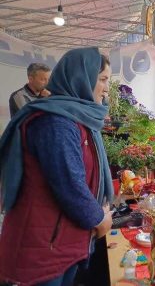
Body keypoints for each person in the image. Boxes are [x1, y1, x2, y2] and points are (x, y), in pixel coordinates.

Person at [0, 47, 114, 285]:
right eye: (103, 79)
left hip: (61, 242)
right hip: (42, 249)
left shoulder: (76, 118)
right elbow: (69, 185)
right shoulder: (56, 123)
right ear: (80, 77)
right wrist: (98, 218)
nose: (106, 88)